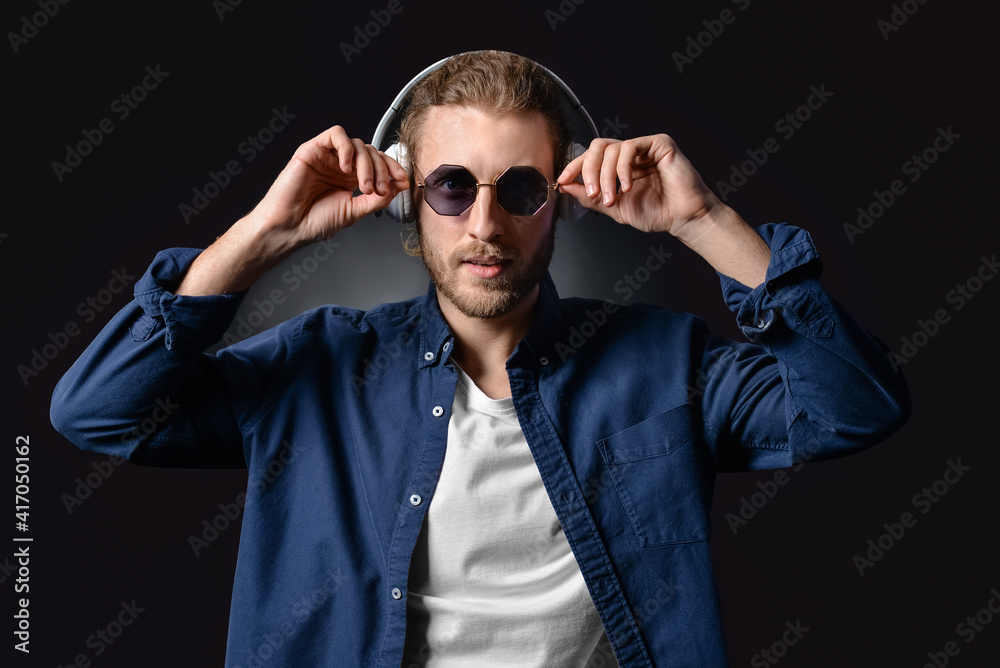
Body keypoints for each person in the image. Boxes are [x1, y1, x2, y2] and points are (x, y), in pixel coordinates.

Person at [51, 50, 909, 667]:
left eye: (521, 190)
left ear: (562, 200)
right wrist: (261, 233)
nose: (485, 226)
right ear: (407, 200)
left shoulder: (664, 362)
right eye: (452, 187)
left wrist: (705, 221)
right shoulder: (315, 368)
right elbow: (96, 410)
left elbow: (857, 407)